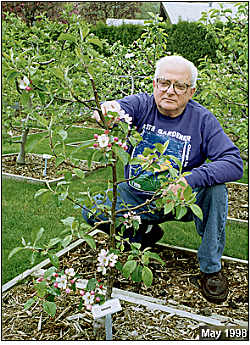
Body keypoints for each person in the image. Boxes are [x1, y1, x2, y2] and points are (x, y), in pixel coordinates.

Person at [82, 55, 243, 304]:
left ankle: (211, 268)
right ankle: (143, 233)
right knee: (90, 210)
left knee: (216, 190)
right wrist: (106, 112)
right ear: (155, 84)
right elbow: (113, 107)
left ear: (191, 91)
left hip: (179, 200)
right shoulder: (141, 105)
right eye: (164, 83)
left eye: (179, 86)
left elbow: (233, 162)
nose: (170, 91)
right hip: (135, 198)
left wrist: (190, 179)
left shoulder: (202, 120)